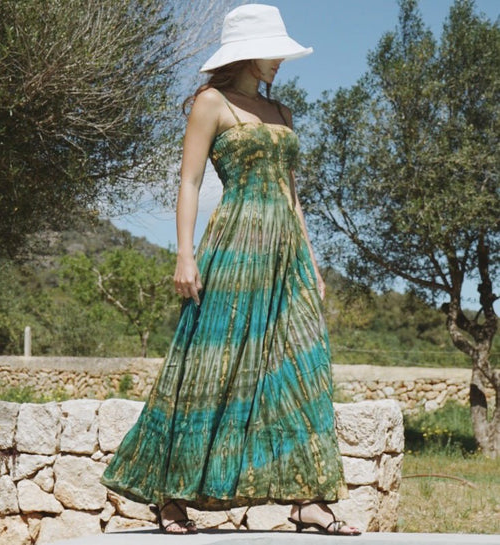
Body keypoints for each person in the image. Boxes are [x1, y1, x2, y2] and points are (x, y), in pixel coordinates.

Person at [101, 4, 360, 536]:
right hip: (236, 246)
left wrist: (311, 262)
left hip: (286, 255)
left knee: (302, 366)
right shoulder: (211, 103)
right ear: (246, 52)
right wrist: (185, 254)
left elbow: (292, 196)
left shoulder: (281, 111)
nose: (280, 62)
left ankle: (308, 500)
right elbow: (190, 182)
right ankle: (171, 496)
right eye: (272, 52)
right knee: (211, 365)